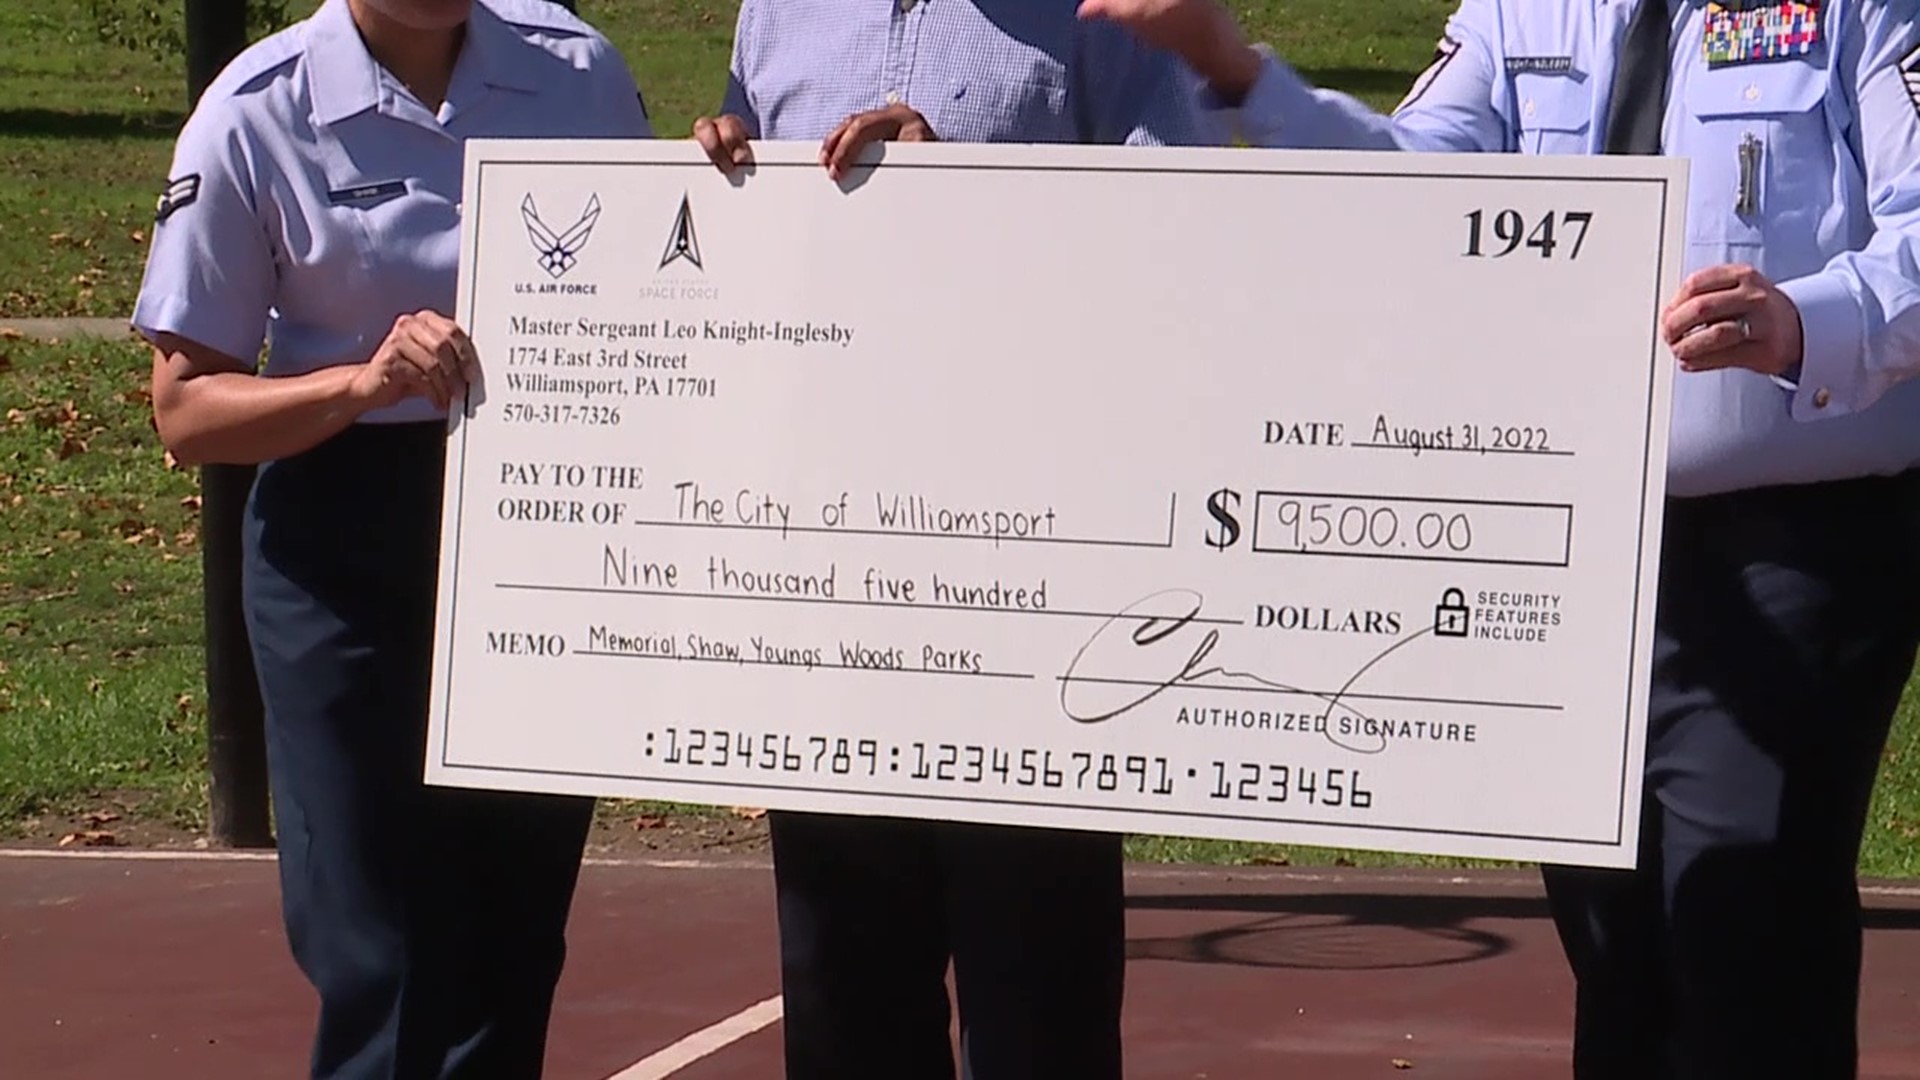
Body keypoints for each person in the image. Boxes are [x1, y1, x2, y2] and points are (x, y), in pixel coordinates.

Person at [1078, 0, 1920, 1076]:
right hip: (1570, 551)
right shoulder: (1521, 9)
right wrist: (1231, 67)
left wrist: (1811, 319)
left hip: (1791, 544)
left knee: (1747, 942)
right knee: (1616, 956)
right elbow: (1415, 195)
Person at [131, 0, 651, 1075]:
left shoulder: (577, 71)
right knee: (379, 946)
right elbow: (185, 412)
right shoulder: (254, 109)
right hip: (345, 535)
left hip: (542, 529)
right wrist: (361, 384)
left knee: (512, 937)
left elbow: (666, 273)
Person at [689, 4, 1208, 1077]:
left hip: (1030, 594)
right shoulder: (778, 13)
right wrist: (716, 175)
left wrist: (971, 200)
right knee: (845, 1007)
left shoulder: (1109, 20)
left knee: (1039, 1014)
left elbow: (1188, 242)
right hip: (826, 577)